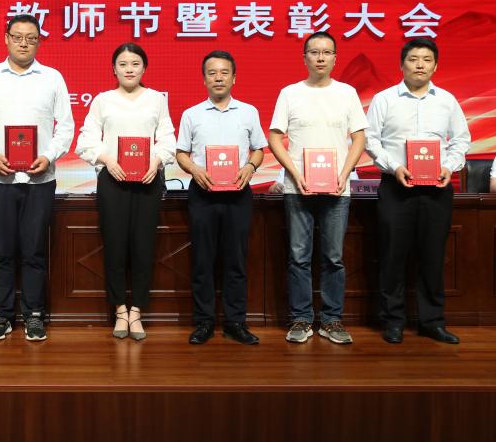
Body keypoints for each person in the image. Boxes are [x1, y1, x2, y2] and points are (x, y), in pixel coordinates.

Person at [0, 14, 74, 341]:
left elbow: (66, 127)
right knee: (1, 250)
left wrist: (48, 155)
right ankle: (1, 314)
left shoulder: (52, 78)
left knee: (34, 251)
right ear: (6, 38)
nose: (24, 43)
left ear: (39, 41)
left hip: (40, 180)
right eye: (17, 37)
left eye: (31, 38)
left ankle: (34, 314)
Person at [365, 37, 470, 344]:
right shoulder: (384, 99)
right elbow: (371, 140)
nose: (420, 65)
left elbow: (461, 139)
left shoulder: (447, 100)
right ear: (402, 65)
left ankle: (432, 321)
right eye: (413, 59)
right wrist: (394, 166)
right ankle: (393, 321)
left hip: (436, 189)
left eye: (426, 59)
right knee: (392, 255)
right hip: (396, 187)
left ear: (435, 66)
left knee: (433, 256)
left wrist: (449, 166)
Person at [268, 32, 366, 344]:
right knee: (299, 256)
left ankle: (332, 320)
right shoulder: (290, 93)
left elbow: (359, 138)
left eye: (326, 52)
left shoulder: (347, 93)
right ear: (305, 57)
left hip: (337, 189)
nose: (320, 57)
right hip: (298, 189)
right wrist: (295, 173)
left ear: (335, 58)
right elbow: (274, 137)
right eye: (314, 52)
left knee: (334, 257)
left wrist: (344, 173)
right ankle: (301, 318)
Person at [76, 43, 176, 341]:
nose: (129, 69)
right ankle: (120, 309)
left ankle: (137, 311)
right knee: (115, 246)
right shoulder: (102, 100)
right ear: (114, 69)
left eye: (135, 64)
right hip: (113, 181)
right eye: (123, 64)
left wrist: (156, 161)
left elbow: (167, 138)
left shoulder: (156, 99)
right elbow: (86, 139)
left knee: (143, 247)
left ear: (144, 68)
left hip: (148, 181)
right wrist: (107, 159)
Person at [176, 50, 265, 345]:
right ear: (204, 79)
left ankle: (235, 322)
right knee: (202, 260)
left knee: (236, 260)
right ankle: (204, 322)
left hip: (238, 193)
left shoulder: (248, 112)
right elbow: (181, 153)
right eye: (212, 73)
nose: (218, 78)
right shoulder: (192, 114)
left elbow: (259, 149)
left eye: (224, 72)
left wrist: (250, 167)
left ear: (234, 78)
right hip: (203, 194)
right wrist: (194, 169)